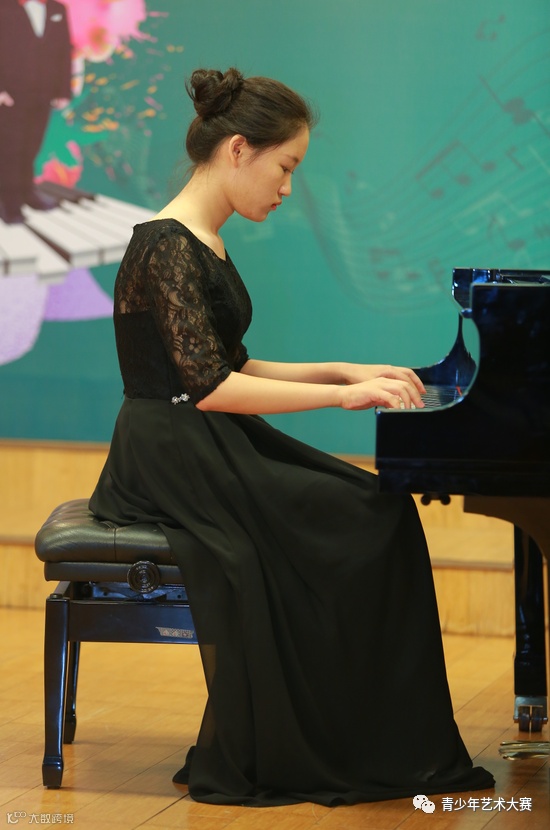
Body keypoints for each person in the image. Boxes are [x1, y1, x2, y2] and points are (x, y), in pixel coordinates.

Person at [89, 67, 495, 807]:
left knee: (375, 507)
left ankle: (354, 733)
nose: (287, 188)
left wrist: (342, 369)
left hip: (203, 434)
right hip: (173, 449)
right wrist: (342, 396)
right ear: (238, 149)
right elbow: (211, 388)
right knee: (364, 520)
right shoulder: (166, 245)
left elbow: (231, 365)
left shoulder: (202, 239)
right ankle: (330, 739)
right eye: (286, 167)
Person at [0, 0, 72, 224]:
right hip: (11, 95)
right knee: (10, 149)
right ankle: (8, 200)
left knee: (32, 145)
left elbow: (64, 50)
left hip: (43, 93)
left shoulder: (57, 9)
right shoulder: (4, 7)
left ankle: (26, 192)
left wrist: (63, 90)